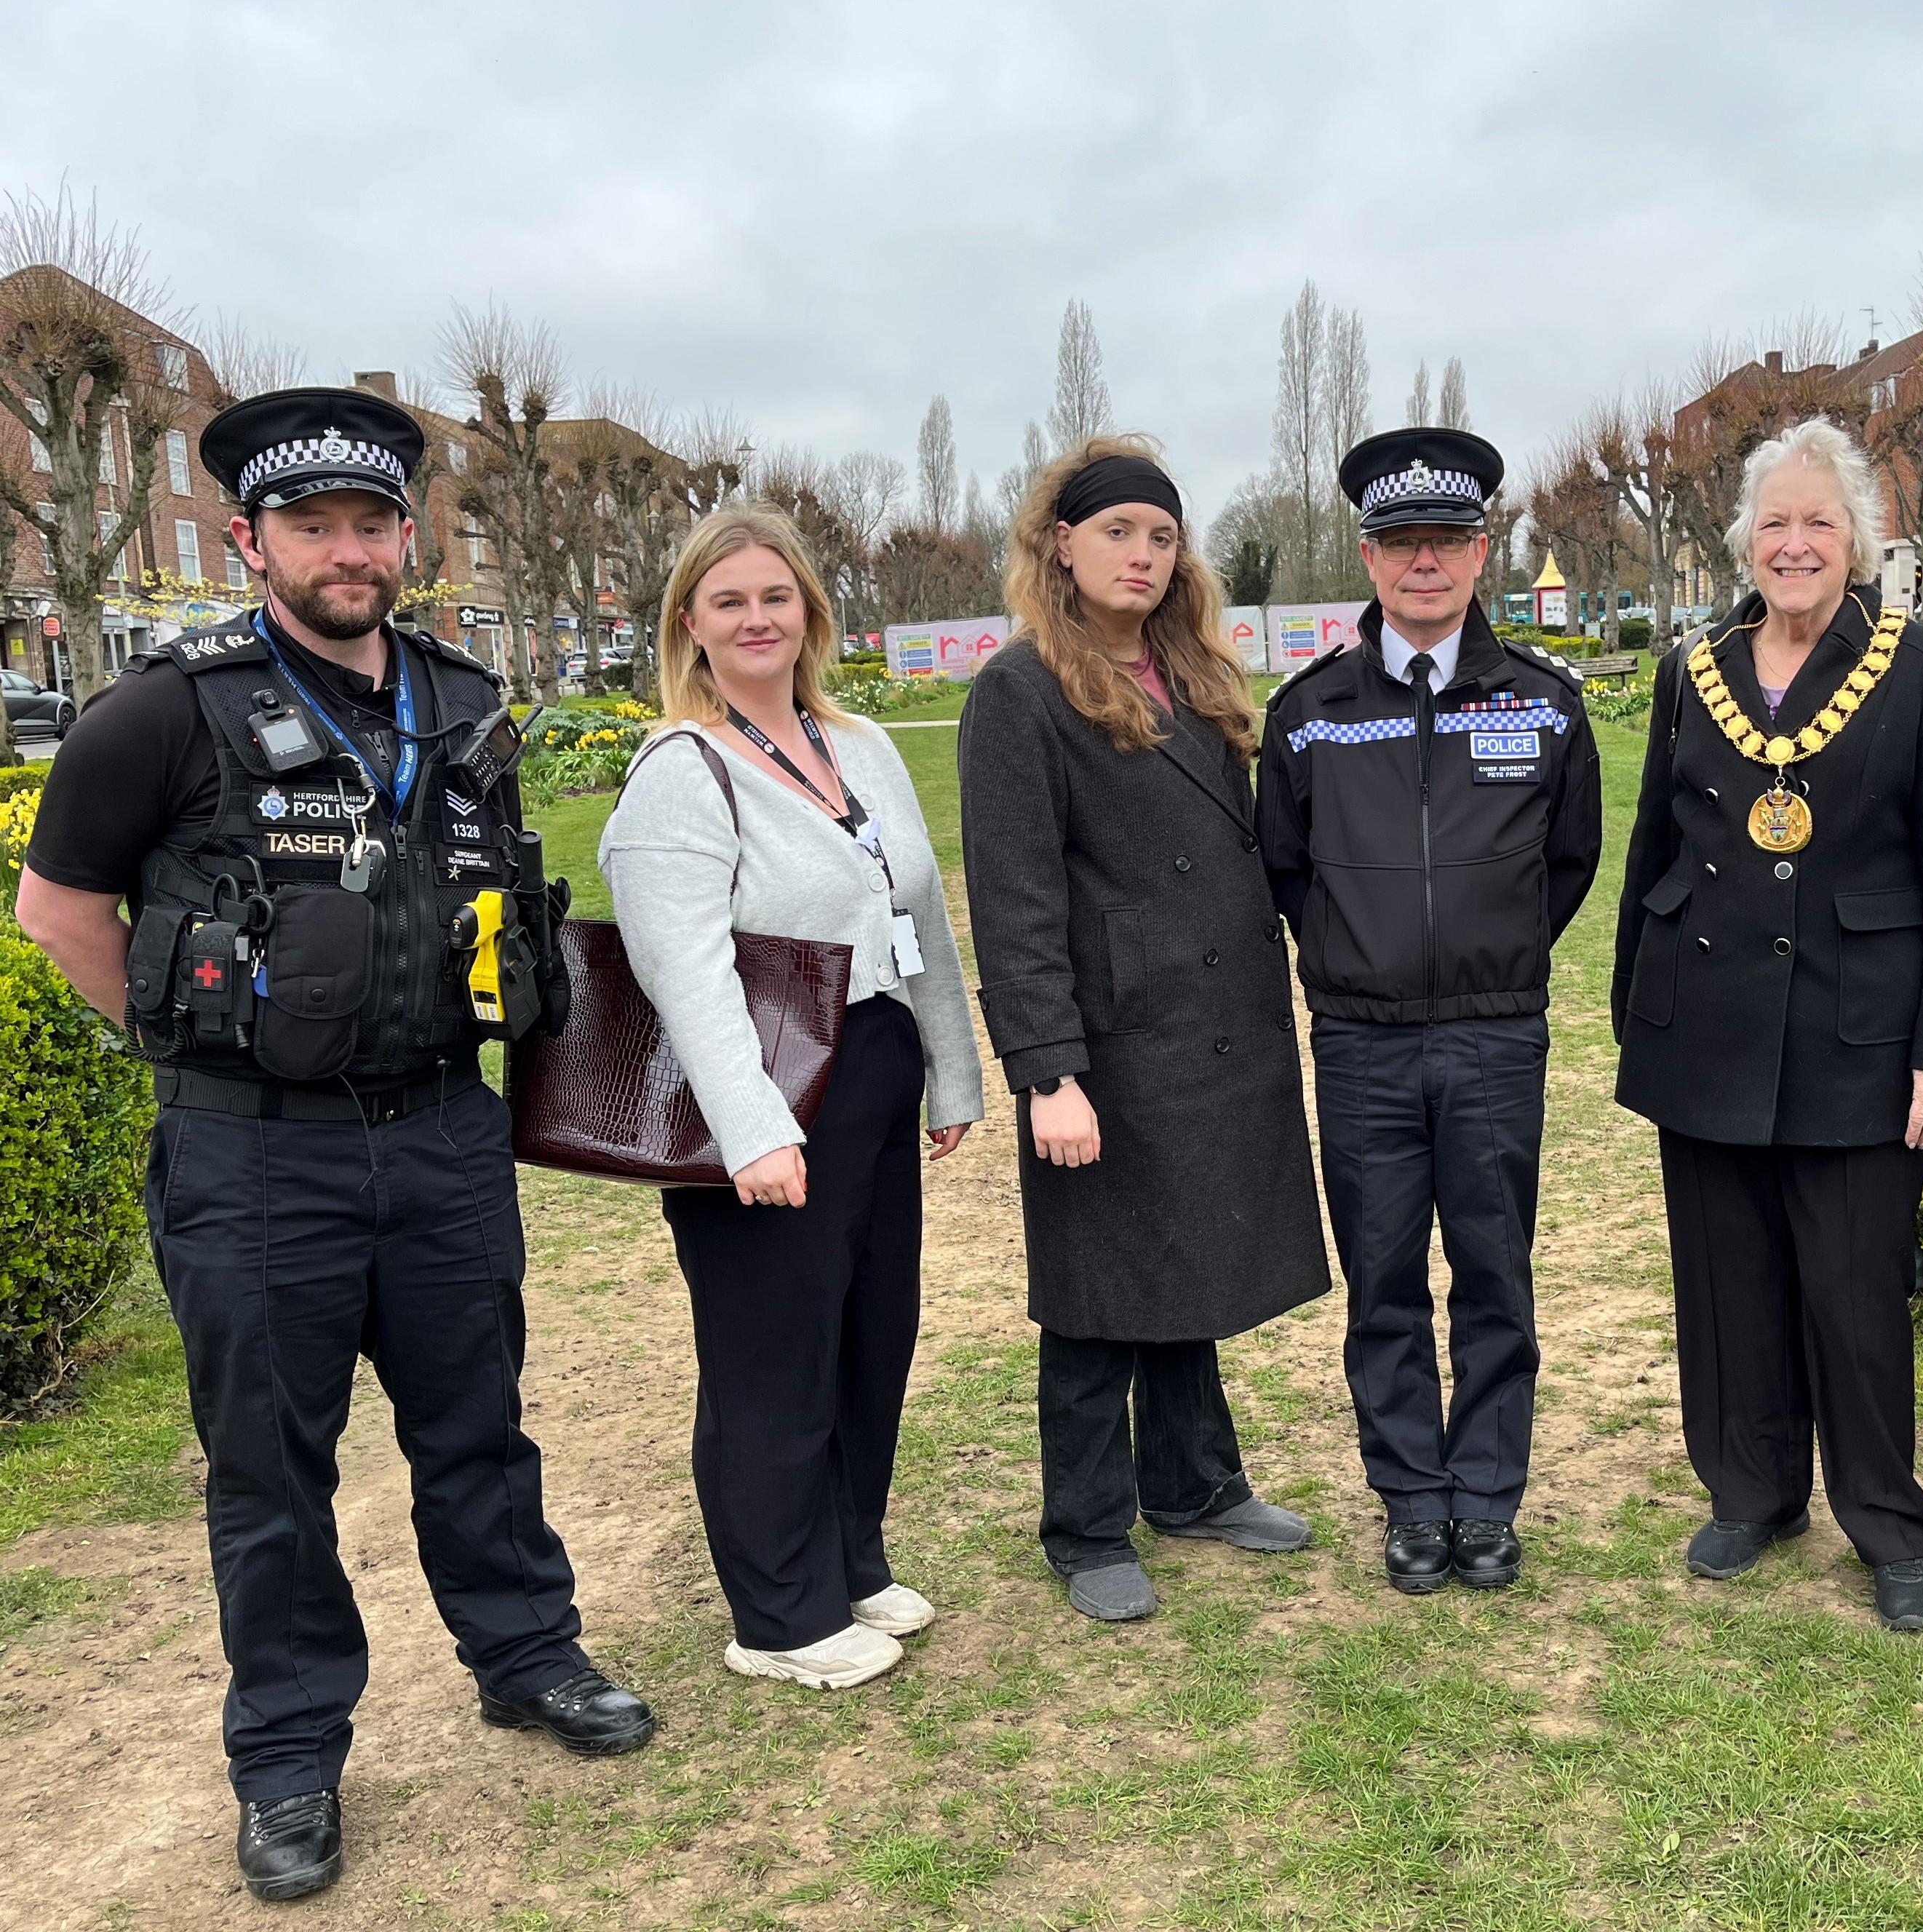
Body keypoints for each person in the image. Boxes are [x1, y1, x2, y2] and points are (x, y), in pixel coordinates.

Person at [11, 389, 652, 1904]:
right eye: (313, 527)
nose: (347, 550)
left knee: (478, 1422)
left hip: (439, 1132)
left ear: (408, 538)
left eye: (372, 523)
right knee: (272, 1471)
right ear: (251, 540)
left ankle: (526, 1654)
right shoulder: (163, 709)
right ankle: (290, 1753)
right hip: (254, 1159)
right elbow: (58, 913)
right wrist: (189, 1055)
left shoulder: (469, 700)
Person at [1609, 420, 1923, 1632]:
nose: (1793, 544)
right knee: (1726, 1283)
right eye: (1773, 523)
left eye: (1817, 523)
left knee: (1854, 1291)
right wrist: (1639, 1015)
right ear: (1745, 541)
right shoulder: (1696, 663)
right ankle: (1754, 1489)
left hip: (1860, 1030)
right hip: (1709, 1020)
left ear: (1860, 541)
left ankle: (1889, 1523)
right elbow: (1656, 850)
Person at [601, 507, 982, 1688]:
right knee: (774, 1349)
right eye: (729, 603)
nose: (757, 619)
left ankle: (850, 1560)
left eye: (776, 597)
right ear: (690, 628)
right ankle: (779, 1617)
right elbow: (684, 969)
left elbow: (916, 916)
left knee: (872, 1330)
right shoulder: (682, 769)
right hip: (763, 1089)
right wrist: (753, 1129)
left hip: (872, 1059)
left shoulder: (857, 743)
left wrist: (952, 1070)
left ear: (810, 612)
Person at [958, 438, 1329, 1622]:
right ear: (1060, 544)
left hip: (1217, 1031)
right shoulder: (1019, 693)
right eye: (1119, 531)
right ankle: (1084, 1523)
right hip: (1110, 1047)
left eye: (1163, 537)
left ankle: (1196, 1483)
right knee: (1097, 1293)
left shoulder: (1197, 677)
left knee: (1193, 1265)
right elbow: (1014, 904)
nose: (1144, 555)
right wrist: (1047, 1074)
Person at [1257, 426, 1603, 1594]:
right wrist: (1366, 957)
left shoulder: (1544, 704)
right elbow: (1288, 871)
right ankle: (1412, 1498)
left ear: (1481, 550)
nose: (1424, 564)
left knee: (1498, 1274)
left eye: (1446, 541)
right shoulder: (1308, 713)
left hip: (1497, 1035)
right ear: (1366, 556)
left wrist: (1486, 958)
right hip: (1360, 1045)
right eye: (1401, 543)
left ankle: (1488, 1501)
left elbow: (1569, 864)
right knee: (1386, 1277)